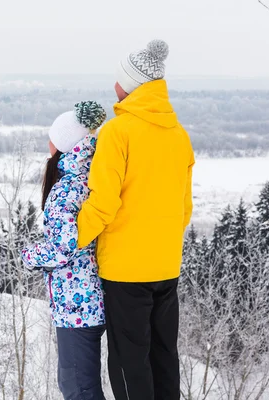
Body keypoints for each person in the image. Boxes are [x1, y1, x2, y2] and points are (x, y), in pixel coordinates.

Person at [76, 39, 195, 400]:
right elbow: (185, 208)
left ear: (129, 85)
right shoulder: (179, 135)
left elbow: (104, 201)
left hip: (126, 271)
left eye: (119, 79)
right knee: (164, 356)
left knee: (130, 363)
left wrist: (72, 239)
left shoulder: (118, 132)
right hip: (166, 266)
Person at [21, 101, 107, 400]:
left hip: (75, 305)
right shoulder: (90, 178)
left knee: (77, 389)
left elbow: (62, 249)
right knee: (80, 385)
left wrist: (29, 255)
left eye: (53, 138)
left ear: (63, 145)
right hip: (91, 298)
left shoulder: (65, 188)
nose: (48, 143)